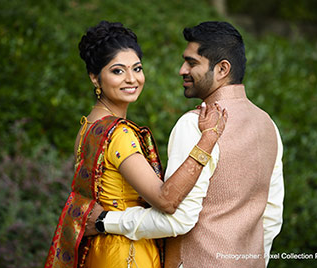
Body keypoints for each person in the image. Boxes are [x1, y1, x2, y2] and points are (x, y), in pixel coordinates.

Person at [91, 21, 284, 268]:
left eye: (192, 63)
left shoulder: (194, 124)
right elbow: (271, 216)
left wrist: (104, 222)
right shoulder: (267, 125)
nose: (182, 70)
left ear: (222, 69)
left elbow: (178, 219)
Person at [44, 21, 227, 268]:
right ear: (95, 78)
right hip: (125, 254)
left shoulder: (88, 125)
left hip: (100, 251)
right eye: (118, 71)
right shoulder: (118, 133)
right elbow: (167, 201)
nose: (132, 79)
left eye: (137, 68)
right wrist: (207, 140)